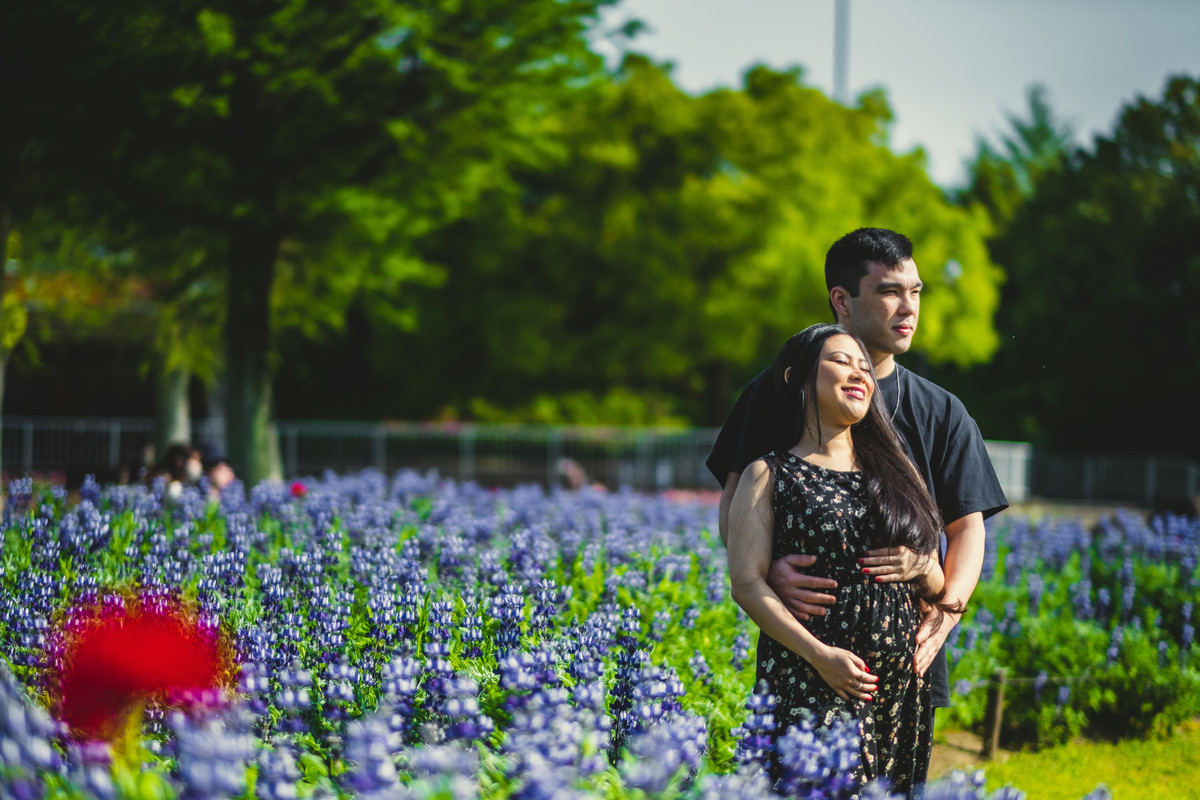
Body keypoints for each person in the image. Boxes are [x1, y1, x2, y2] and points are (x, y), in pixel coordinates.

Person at [708, 228, 1008, 745]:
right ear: (841, 301)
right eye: (890, 291)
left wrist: (947, 611)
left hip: (907, 658)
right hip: (806, 656)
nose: (908, 307)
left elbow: (967, 528)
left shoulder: (941, 409)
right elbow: (736, 506)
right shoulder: (776, 390)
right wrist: (765, 569)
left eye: (915, 292)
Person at [728, 323, 951, 794]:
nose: (859, 373)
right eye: (841, 361)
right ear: (799, 378)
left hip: (899, 687)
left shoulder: (898, 470)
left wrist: (924, 568)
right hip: (814, 675)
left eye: (864, 367)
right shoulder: (768, 473)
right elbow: (746, 583)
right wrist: (820, 656)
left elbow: (934, 581)